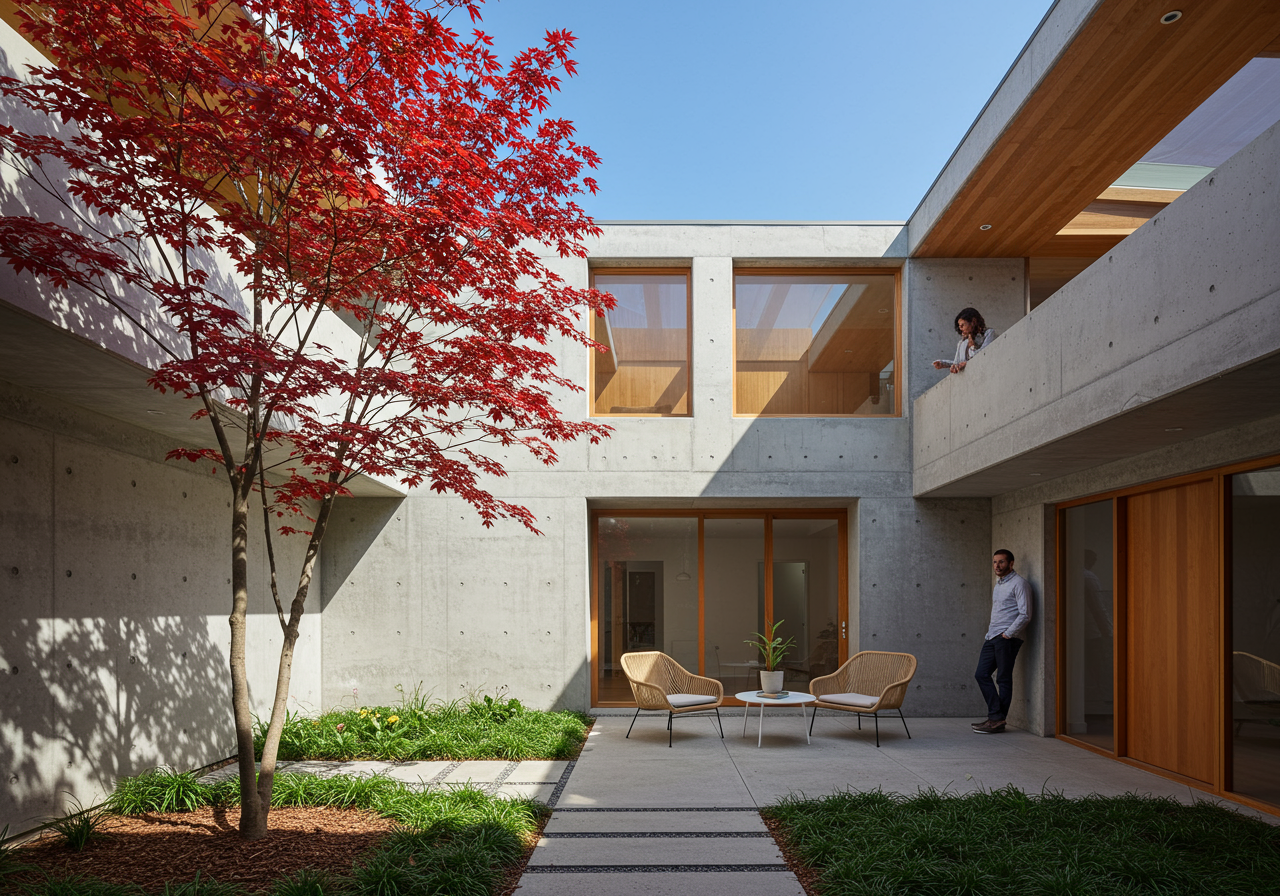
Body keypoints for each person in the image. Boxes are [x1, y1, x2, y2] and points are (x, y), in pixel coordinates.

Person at [972, 549, 1031, 734]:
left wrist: (1008, 633)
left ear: (1011, 564)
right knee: (981, 674)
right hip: (992, 636)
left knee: (1003, 679)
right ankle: (996, 717)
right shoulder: (999, 584)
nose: (997, 566)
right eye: (995, 562)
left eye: (1002, 562)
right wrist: (993, 634)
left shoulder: (1019, 584)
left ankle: (996, 720)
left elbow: (1026, 613)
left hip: (1006, 638)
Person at [933, 307, 997, 373]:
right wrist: (944, 364)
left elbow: (985, 354)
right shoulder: (962, 343)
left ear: (973, 322)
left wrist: (972, 347)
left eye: (962, 325)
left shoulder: (989, 333)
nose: (960, 328)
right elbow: (957, 362)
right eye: (959, 326)